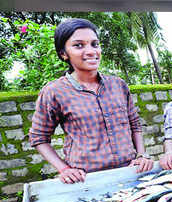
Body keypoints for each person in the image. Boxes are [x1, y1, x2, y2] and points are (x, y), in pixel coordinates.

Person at [29, 18, 153, 184]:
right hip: (86, 180)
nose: (90, 51)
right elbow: (39, 138)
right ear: (63, 54)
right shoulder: (54, 92)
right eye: (78, 45)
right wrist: (64, 169)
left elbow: (135, 124)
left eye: (95, 44)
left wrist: (141, 154)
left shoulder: (118, 85)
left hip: (130, 172)